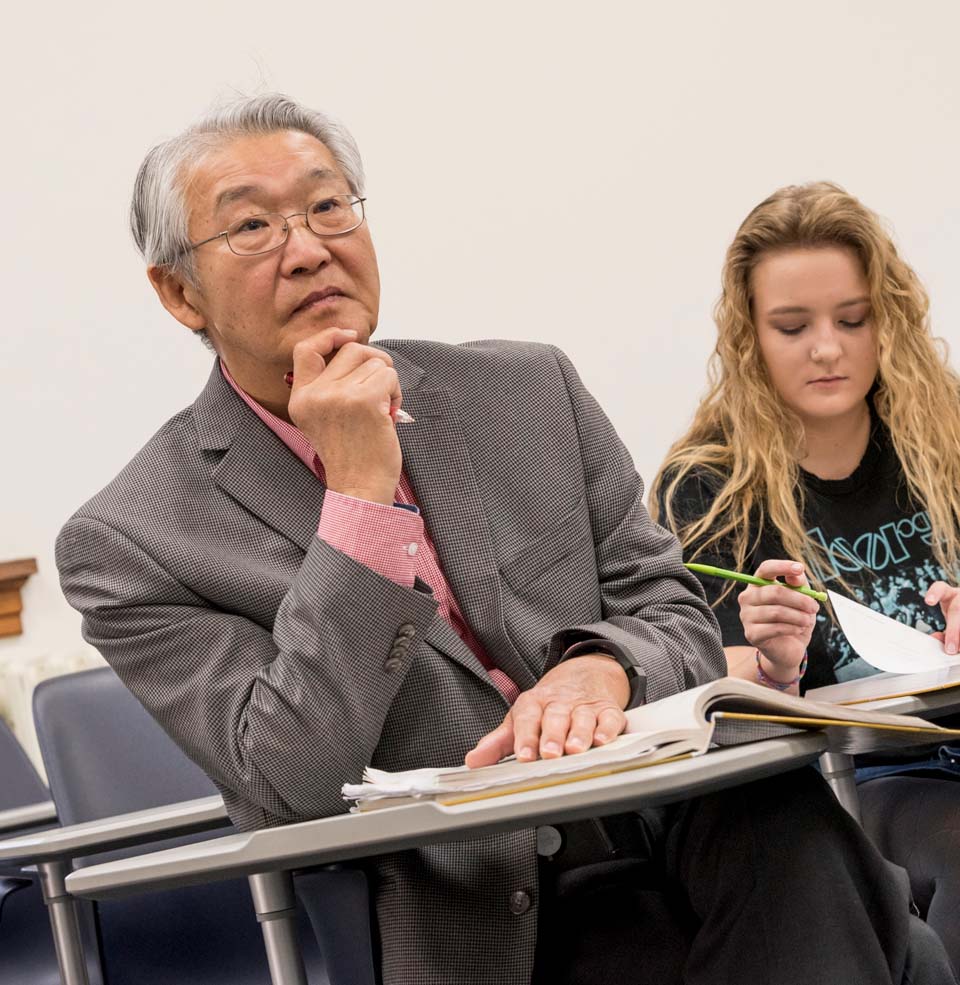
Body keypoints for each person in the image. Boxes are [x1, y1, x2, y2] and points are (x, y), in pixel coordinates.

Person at [56, 100, 952, 985]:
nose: (309, 247)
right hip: (497, 905)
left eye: (329, 207)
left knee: (782, 817)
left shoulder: (528, 390)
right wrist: (361, 497)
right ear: (180, 292)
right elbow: (289, 777)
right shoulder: (133, 539)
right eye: (252, 225)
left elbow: (672, 608)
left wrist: (603, 665)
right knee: (875, 930)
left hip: (687, 819)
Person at [653, 180, 960, 972]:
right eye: (793, 327)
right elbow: (705, 683)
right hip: (863, 777)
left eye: (852, 320)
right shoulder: (709, 487)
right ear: (750, 337)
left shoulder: (944, 433)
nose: (828, 348)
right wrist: (772, 662)